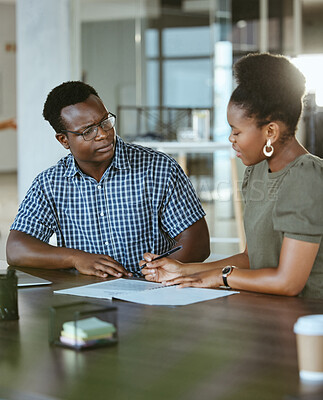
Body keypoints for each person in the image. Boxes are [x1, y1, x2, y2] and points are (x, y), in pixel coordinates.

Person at [141, 53, 323, 299]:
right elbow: (250, 259)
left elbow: (288, 282)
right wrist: (184, 270)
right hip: (267, 311)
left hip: (307, 317)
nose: (231, 139)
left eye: (237, 131)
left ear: (270, 131)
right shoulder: (257, 170)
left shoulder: (306, 177)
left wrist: (219, 277)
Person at [6, 81, 210, 278]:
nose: (103, 134)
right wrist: (76, 258)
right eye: (88, 131)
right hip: (85, 297)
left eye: (105, 122)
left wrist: (157, 276)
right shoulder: (50, 184)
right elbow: (16, 249)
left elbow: (198, 242)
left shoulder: (159, 168)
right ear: (64, 140)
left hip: (154, 293)